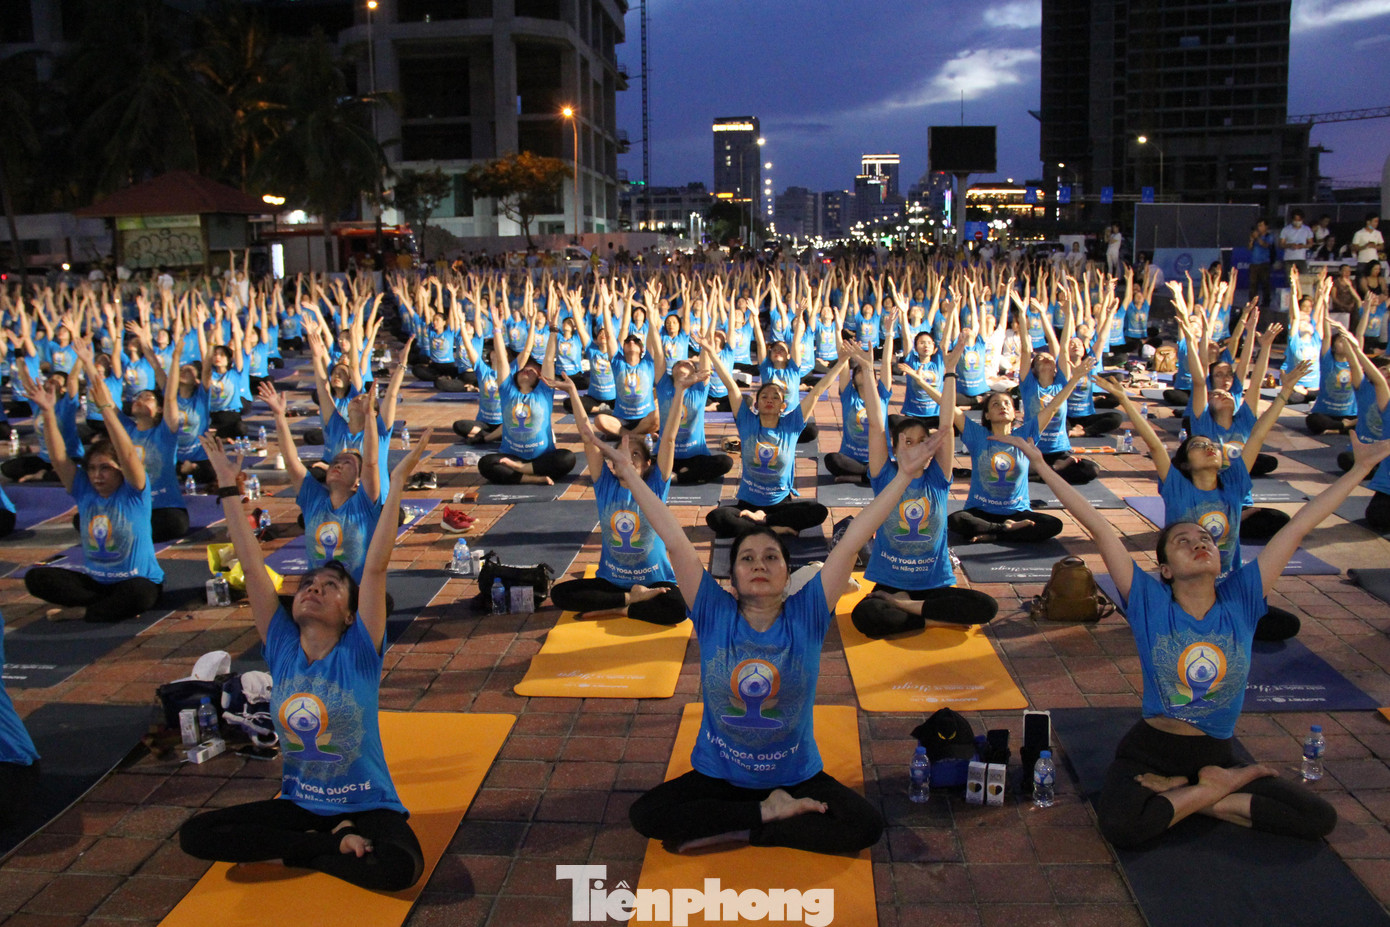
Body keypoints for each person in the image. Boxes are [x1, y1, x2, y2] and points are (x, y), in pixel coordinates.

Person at [1004, 431, 1390, 849]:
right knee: (1120, 827)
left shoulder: (1242, 598)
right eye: (1182, 542)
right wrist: (1042, 466)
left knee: (1317, 817)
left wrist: (1361, 468)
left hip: (1217, 752)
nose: (1199, 543)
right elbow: (1098, 526)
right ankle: (1214, 790)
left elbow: (1300, 525)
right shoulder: (1149, 601)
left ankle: (1187, 793)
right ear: (1166, 569)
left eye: (1204, 539)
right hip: (1150, 750)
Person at [618, 423, 934, 855]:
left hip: (794, 774)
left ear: (788, 576)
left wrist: (905, 477)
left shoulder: (806, 614)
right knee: (645, 815)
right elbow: (675, 542)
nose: (759, 564)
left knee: (865, 827)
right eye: (746, 558)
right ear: (732, 578)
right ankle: (766, 816)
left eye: (771, 557)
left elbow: (854, 539)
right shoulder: (714, 613)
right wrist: (630, 475)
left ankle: (744, 827)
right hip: (720, 775)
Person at [178, 431, 431, 892]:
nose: (313, 587)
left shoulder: (358, 652)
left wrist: (396, 484)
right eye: (308, 583)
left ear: (351, 614)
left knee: (401, 869)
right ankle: (329, 845)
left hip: (367, 804)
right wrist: (227, 488)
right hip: (303, 806)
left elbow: (374, 567)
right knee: (195, 836)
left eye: (330, 586)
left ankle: (320, 843)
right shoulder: (281, 644)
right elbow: (253, 567)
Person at [1095, 367, 1307, 641]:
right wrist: (1125, 400)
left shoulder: (1233, 484)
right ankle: (1202, 620)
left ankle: (1215, 622)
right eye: (1198, 446)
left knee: (1287, 626)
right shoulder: (1177, 488)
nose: (1209, 448)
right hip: (1186, 586)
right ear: (1184, 462)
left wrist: (1284, 393)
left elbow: (1256, 436)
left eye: (1212, 445)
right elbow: (1156, 446)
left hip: (1227, 584)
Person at [845, 339, 999, 637]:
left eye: (921, 441)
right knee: (865, 616)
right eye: (908, 442)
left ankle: (908, 609)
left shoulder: (937, 478)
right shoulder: (884, 474)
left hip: (934, 583)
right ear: (895, 448)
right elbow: (877, 425)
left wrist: (950, 371)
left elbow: (945, 422)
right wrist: (867, 366)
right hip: (892, 581)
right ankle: (928, 618)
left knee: (987, 607)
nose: (915, 448)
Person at [21, 366, 163, 623]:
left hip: (135, 581)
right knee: (36, 578)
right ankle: (105, 606)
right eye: (93, 469)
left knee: (140, 594)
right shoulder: (84, 489)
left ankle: (85, 612)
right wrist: (47, 412)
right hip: (95, 584)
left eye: (106, 468)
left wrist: (107, 410)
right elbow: (58, 457)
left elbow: (129, 454)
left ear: (121, 471)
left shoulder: (134, 493)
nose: (97, 475)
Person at [546, 372, 687, 625]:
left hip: (656, 580)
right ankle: (630, 599)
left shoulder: (655, 485)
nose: (627, 459)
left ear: (646, 463)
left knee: (679, 608)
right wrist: (572, 393)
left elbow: (668, 438)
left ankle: (619, 608)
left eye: (634, 454)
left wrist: (681, 391)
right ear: (612, 463)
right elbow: (588, 438)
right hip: (612, 581)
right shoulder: (605, 485)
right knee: (559, 594)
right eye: (620, 453)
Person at [701, 338, 848, 538]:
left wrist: (841, 363)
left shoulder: (791, 425)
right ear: (756, 404)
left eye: (775, 397)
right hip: (748, 504)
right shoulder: (747, 422)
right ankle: (771, 529)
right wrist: (710, 352)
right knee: (716, 518)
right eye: (764, 396)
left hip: (780, 505)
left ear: (783, 406)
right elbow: (730, 385)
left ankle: (763, 524)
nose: (769, 399)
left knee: (818, 511)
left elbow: (816, 392)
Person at [261, 384, 383, 581]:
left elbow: (371, 462)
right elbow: (292, 461)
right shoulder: (313, 498)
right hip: (318, 592)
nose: (339, 465)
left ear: (358, 482)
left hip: (355, 594)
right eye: (336, 462)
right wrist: (279, 416)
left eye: (348, 463)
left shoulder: (363, 504)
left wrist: (369, 416)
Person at [477, 324, 576, 485]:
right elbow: (502, 360)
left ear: (540, 379)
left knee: (567, 458)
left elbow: (549, 360)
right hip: (512, 456)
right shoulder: (508, 391)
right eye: (524, 369)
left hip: (542, 456)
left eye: (532, 371)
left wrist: (553, 331)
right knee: (485, 464)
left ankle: (521, 469)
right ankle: (531, 477)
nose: (527, 371)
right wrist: (496, 328)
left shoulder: (543, 392)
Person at [1352, 214, 1383, 280]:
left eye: (1377, 222)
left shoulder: (1378, 233)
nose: (1376, 223)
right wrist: (1365, 246)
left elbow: (1382, 246)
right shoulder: (1359, 233)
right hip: (1363, 261)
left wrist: (1375, 246)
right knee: (1361, 279)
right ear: (1368, 222)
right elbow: (1354, 247)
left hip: (1374, 261)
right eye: (1375, 221)